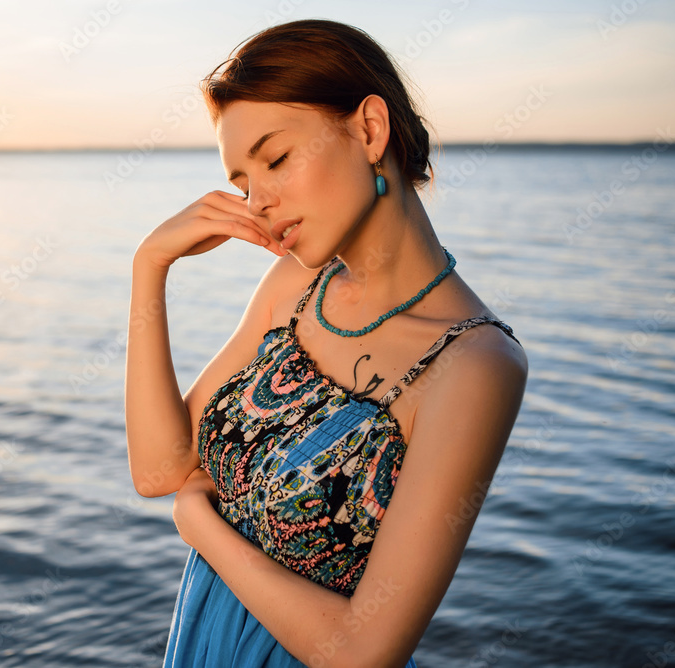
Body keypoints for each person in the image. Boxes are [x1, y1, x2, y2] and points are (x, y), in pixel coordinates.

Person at [124, 19, 528, 668]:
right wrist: (150, 268)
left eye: (276, 159)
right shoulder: (293, 287)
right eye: (243, 182)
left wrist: (199, 524)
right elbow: (160, 470)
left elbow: (364, 652)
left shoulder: (475, 365)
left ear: (369, 130)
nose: (258, 203)